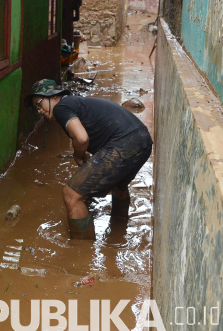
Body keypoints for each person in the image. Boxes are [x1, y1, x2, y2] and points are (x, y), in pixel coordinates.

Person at [25, 79, 152, 240]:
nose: (39, 111)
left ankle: (81, 251)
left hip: (122, 145)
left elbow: (82, 138)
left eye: (39, 104)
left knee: (71, 194)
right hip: (143, 141)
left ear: (53, 96)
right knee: (119, 186)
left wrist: (77, 155)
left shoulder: (61, 108)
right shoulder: (77, 103)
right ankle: (119, 232)